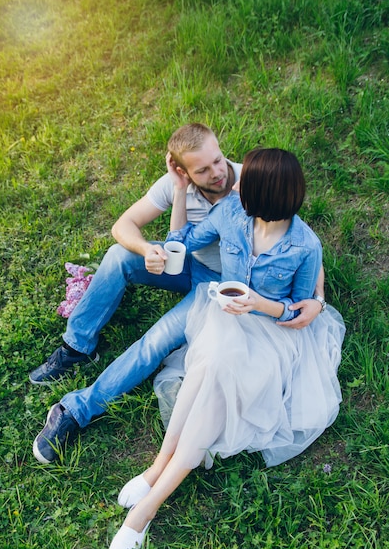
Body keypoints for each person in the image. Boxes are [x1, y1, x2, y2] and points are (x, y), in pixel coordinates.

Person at [107, 148, 345, 549]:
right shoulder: (232, 212)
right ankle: (158, 465)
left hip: (274, 337)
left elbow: (299, 309)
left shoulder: (304, 245)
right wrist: (174, 211)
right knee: (209, 366)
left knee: (215, 379)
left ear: (263, 193)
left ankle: (150, 503)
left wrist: (261, 304)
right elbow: (182, 241)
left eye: (243, 181)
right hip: (223, 319)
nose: (232, 183)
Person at [32, 126, 323, 464]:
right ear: (184, 170)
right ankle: (76, 350)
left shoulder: (258, 178)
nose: (219, 174)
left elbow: (299, 244)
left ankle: (76, 408)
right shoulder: (225, 208)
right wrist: (177, 195)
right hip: (194, 269)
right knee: (120, 257)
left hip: (223, 292)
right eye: (203, 170)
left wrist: (317, 300)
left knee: (155, 342)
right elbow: (173, 240)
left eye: (218, 161)